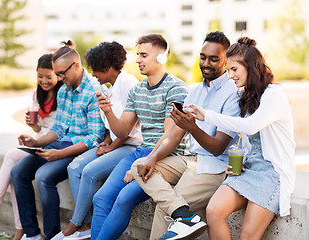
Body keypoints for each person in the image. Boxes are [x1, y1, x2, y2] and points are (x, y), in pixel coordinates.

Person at [131, 31, 242, 240]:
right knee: (139, 166)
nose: (206, 63)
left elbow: (218, 147)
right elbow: (173, 136)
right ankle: (184, 215)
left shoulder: (233, 93)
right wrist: (152, 158)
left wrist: (192, 127)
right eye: (203, 57)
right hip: (191, 160)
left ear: (226, 61)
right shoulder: (195, 91)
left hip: (217, 166)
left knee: (166, 210)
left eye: (214, 59)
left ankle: (181, 215)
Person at [188, 37, 295, 239]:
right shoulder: (245, 95)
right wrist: (239, 161)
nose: (230, 76)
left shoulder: (274, 94)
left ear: (251, 67)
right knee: (213, 211)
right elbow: (245, 140)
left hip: (272, 174)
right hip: (249, 168)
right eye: (228, 70)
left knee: (247, 236)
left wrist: (207, 115)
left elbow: (251, 126)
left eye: (234, 69)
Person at [91, 33, 189, 240]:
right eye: (137, 55)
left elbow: (170, 137)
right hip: (140, 153)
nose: (137, 60)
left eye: (144, 55)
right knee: (101, 198)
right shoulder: (137, 90)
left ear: (163, 57)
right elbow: (123, 131)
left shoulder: (176, 88)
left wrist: (142, 163)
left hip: (163, 157)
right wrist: (108, 111)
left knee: (124, 198)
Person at [10, 41, 106, 240]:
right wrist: (36, 142)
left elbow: (95, 137)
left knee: (44, 177)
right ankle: (32, 234)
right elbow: (59, 128)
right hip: (61, 143)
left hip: (79, 148)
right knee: (18, 171)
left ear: (77, 66)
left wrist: (59, 154)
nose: (59, 78)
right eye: (57, 74)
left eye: (62, 73)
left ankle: (52, 235)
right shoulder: (64, 90)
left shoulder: (93, 91)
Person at [0, 54, 63, 240]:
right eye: (40, 76)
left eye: (49, 77)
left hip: (55, 144)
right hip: (39, 142)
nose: (44, 81)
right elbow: (39, 128)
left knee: (13, 163)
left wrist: (40, 136)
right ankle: (18, 226)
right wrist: (33, 127)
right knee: (13, 167)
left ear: (58, 75)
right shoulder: (37, 94)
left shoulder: (63, 94)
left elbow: (61, 129)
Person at [51, 41, 142, 240]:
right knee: (75, 168)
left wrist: (112, 146)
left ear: (107, 68)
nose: (92, 74)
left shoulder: (129, 84)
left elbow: (129, 127)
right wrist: (108, 140)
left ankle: (74, 224)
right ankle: (87, 225)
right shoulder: (110, 87)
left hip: (130, 146)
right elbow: (113, 124)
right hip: (116, 143)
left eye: (95, 69)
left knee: (90, 171)